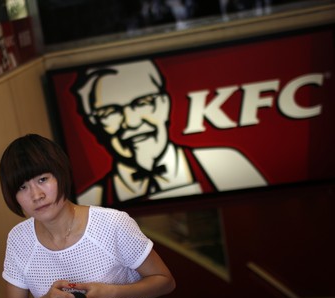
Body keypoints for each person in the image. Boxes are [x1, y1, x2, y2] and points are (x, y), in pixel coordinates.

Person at [0, 134, 176, 298]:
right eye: (22, 187)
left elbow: (165, 281)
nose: (37, 195)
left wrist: (110, 294)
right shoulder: (18, 239)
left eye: (43, 179)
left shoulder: (113, 223)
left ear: (61, 175)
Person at [73, 60, 267, 207]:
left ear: (165, 105)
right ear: (93, 123)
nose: (132, 122)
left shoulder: (228, 165)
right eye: (110, 112)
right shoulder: (87, 204)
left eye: (143, 103)